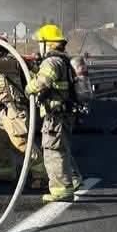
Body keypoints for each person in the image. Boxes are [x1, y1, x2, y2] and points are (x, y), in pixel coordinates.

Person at [0, 36, 48, 189]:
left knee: (22, 144)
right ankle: (6, 173)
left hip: (14, 111)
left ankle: (41, 175)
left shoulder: (10, 62)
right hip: (1, 114)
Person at [25, 24, 84, 203]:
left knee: (52, 152)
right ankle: (72, 180)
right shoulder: (63, 61)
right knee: (62, 149)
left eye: (40, 43)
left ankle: (61, 190)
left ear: (47, 44)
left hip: (55, 115)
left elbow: (42, 82)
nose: (38, 47)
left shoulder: (51, 62)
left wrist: (29, 88)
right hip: (64, 113)